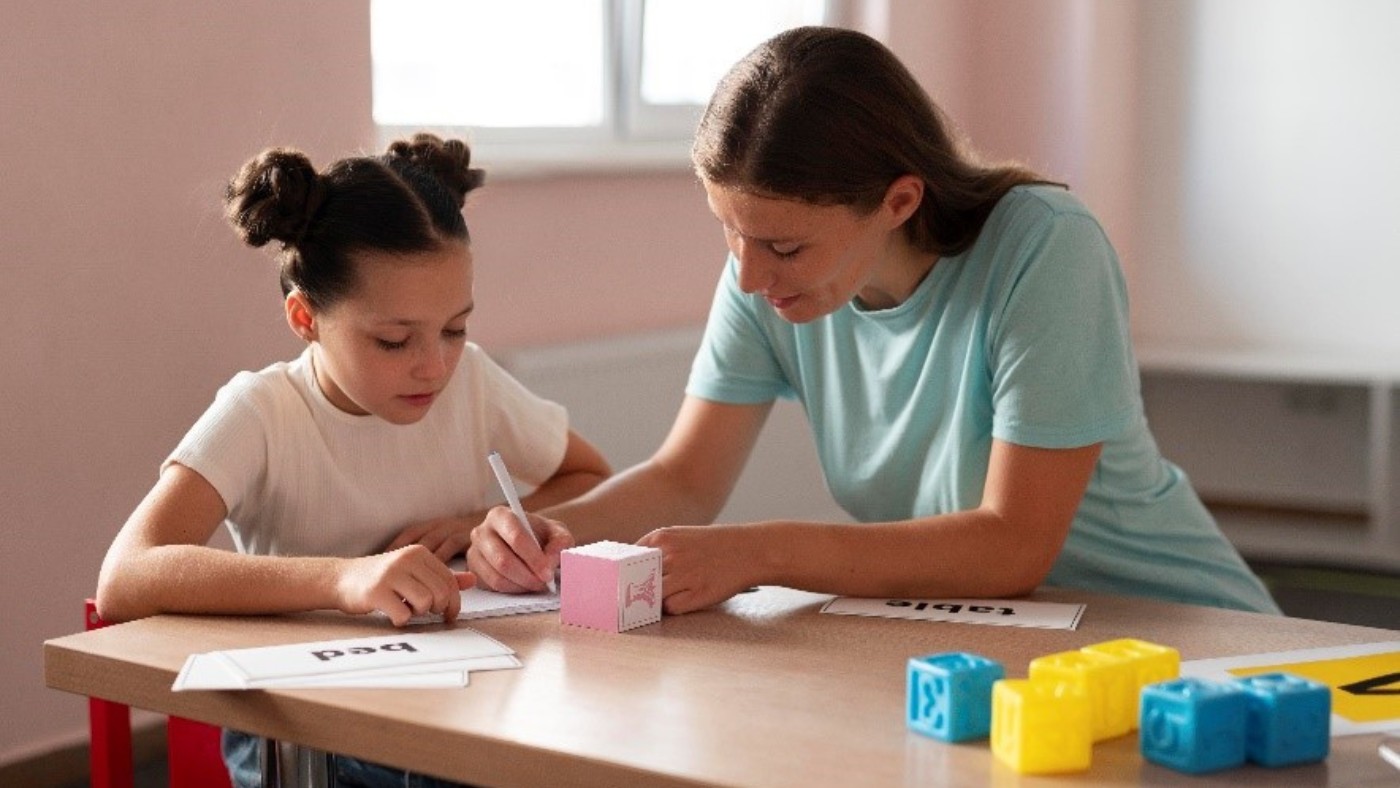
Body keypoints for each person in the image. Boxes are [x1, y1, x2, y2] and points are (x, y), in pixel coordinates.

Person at [466, 26, 1280, 617]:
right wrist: (544, 532)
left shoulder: (1047, 251)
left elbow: (1013, 546)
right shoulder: (770, 279)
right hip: (1009, 642)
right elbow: (686, 478)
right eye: (728, 229)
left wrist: (761, 553)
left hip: (1185, 633)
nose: (749, 276)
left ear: (898, 200)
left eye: (782, 244)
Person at [96, 133, 611, 787]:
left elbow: (591, 477)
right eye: (394, 340)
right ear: (305, 318)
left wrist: (480, 521)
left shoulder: (470, 381)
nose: (435, 365)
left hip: (451, 702)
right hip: (304, 726)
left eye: (455, 328)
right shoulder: (262, 412)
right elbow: (126, 576)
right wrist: (344, 580)